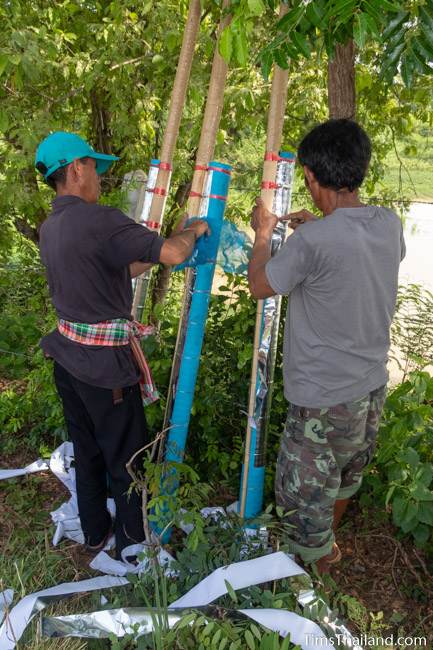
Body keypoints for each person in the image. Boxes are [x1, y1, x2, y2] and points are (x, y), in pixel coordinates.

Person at [35, 131, 208, 558]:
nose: (98, 175)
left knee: (87, 449)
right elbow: (172, 254)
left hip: (68, 360)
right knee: (126, 456)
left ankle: (95, 533)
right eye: (93, 165)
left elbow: (113, 270)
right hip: (103, 368)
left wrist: (157, 251)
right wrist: (192, 231)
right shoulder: (99, 219)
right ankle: (133, 545)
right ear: (76, 167)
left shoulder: (52, 226)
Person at [248, 119, 405, 574]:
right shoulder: (387, 224)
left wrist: (263, 233)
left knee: (304, 502)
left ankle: (307, 583)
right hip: (370, 389)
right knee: (343, 481)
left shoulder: (312, 241)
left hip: (320, 400)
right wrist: (321, 225)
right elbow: (350, 252)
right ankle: (326, 550)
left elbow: (261, 284)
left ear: (313, 179)